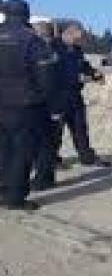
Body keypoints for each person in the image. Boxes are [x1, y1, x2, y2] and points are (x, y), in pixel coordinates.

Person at [0, 0, 59, 210]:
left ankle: (2, 190)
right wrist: (42, 98)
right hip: (24, 105)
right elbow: (45, 76)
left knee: (3, 149)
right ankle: (14, 197)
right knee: (22, 151)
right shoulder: (32, 40)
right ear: (26, 15)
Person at [51, 22, 110, 167]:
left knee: (80, 128)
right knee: (55, 132)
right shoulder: (52, 47)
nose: (79, 41)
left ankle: (87, 158)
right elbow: (51, 73)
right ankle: (52, 160)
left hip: (75, 95)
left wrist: (93, 73)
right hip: (57, 96)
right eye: (77, 38)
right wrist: (77, 78)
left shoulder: (76, 49)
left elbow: (83, 65)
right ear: (68, 33)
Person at [30, 20, 66, 191]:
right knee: (48, 143)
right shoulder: (51, 51)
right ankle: (44, 178)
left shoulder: (44, 51)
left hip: (42, 104)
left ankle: (43, 179)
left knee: (44, 143)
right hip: (49, 104)